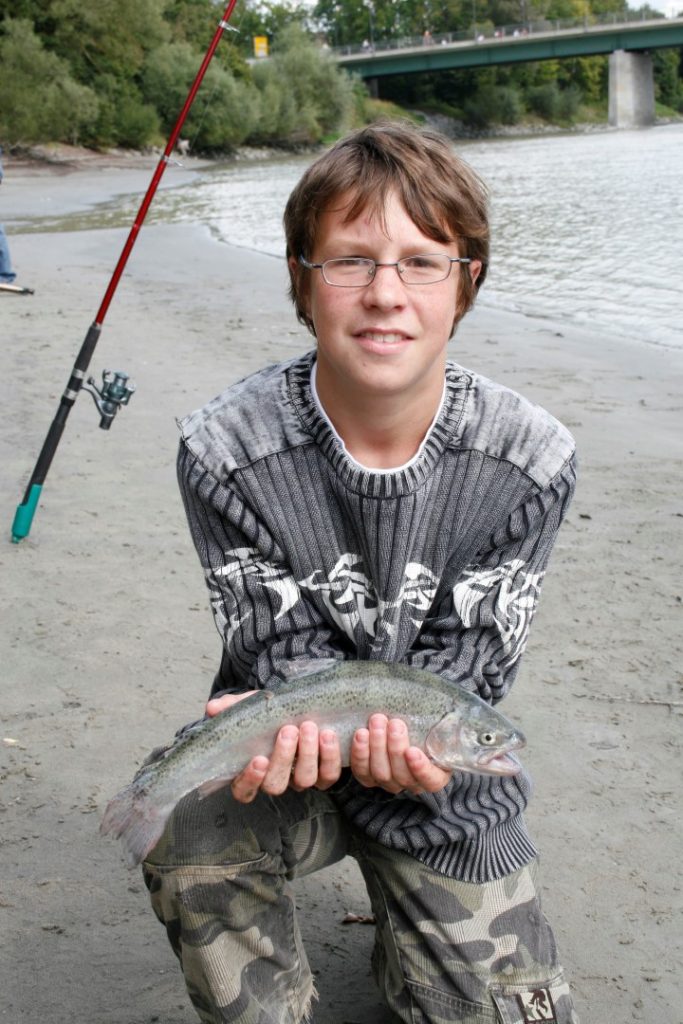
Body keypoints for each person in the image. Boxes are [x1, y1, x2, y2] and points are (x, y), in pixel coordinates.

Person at [142, 120, 579, 1024]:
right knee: (187, 832)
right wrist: (314, 725)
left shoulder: (531, 459)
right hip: (285, 763)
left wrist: (411, 754)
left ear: (467, 281)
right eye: (349, 261)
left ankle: (411, 931)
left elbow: (470, 675)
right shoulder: (223, 450)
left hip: (445, 791)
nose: (385, 294)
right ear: (302, 280)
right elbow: (280, 656)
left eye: (422, 262)